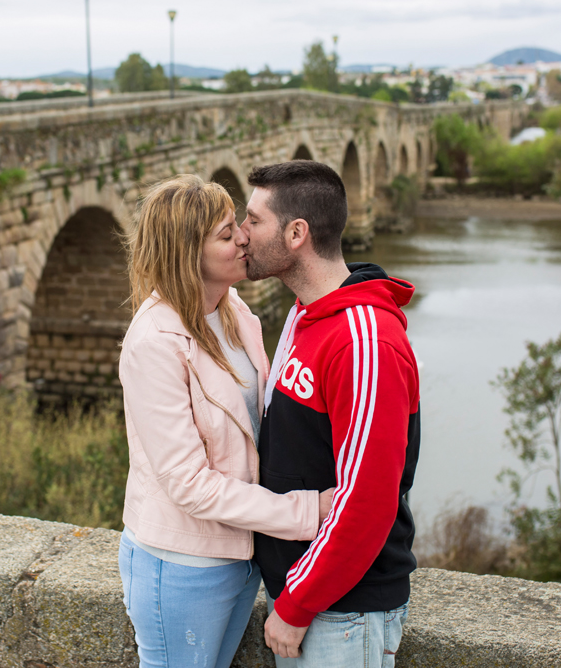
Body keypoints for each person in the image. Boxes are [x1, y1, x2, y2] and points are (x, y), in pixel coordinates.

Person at [118, 174, 335, 668]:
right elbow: (189, 484)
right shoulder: (154, 342)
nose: (243, 237)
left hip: (240, 556)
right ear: (185, 254)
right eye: (225, 234)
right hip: (183, 564)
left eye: (238, 223)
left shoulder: (232, 309)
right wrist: (304, 511)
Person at [238, 160, 421, 667]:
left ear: (296, 233)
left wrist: (297, 606)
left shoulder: (365, 342)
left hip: (341, 614)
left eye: (253, 220)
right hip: (310, 599)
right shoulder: (304, 316)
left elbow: (365, 501)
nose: (240, 233)